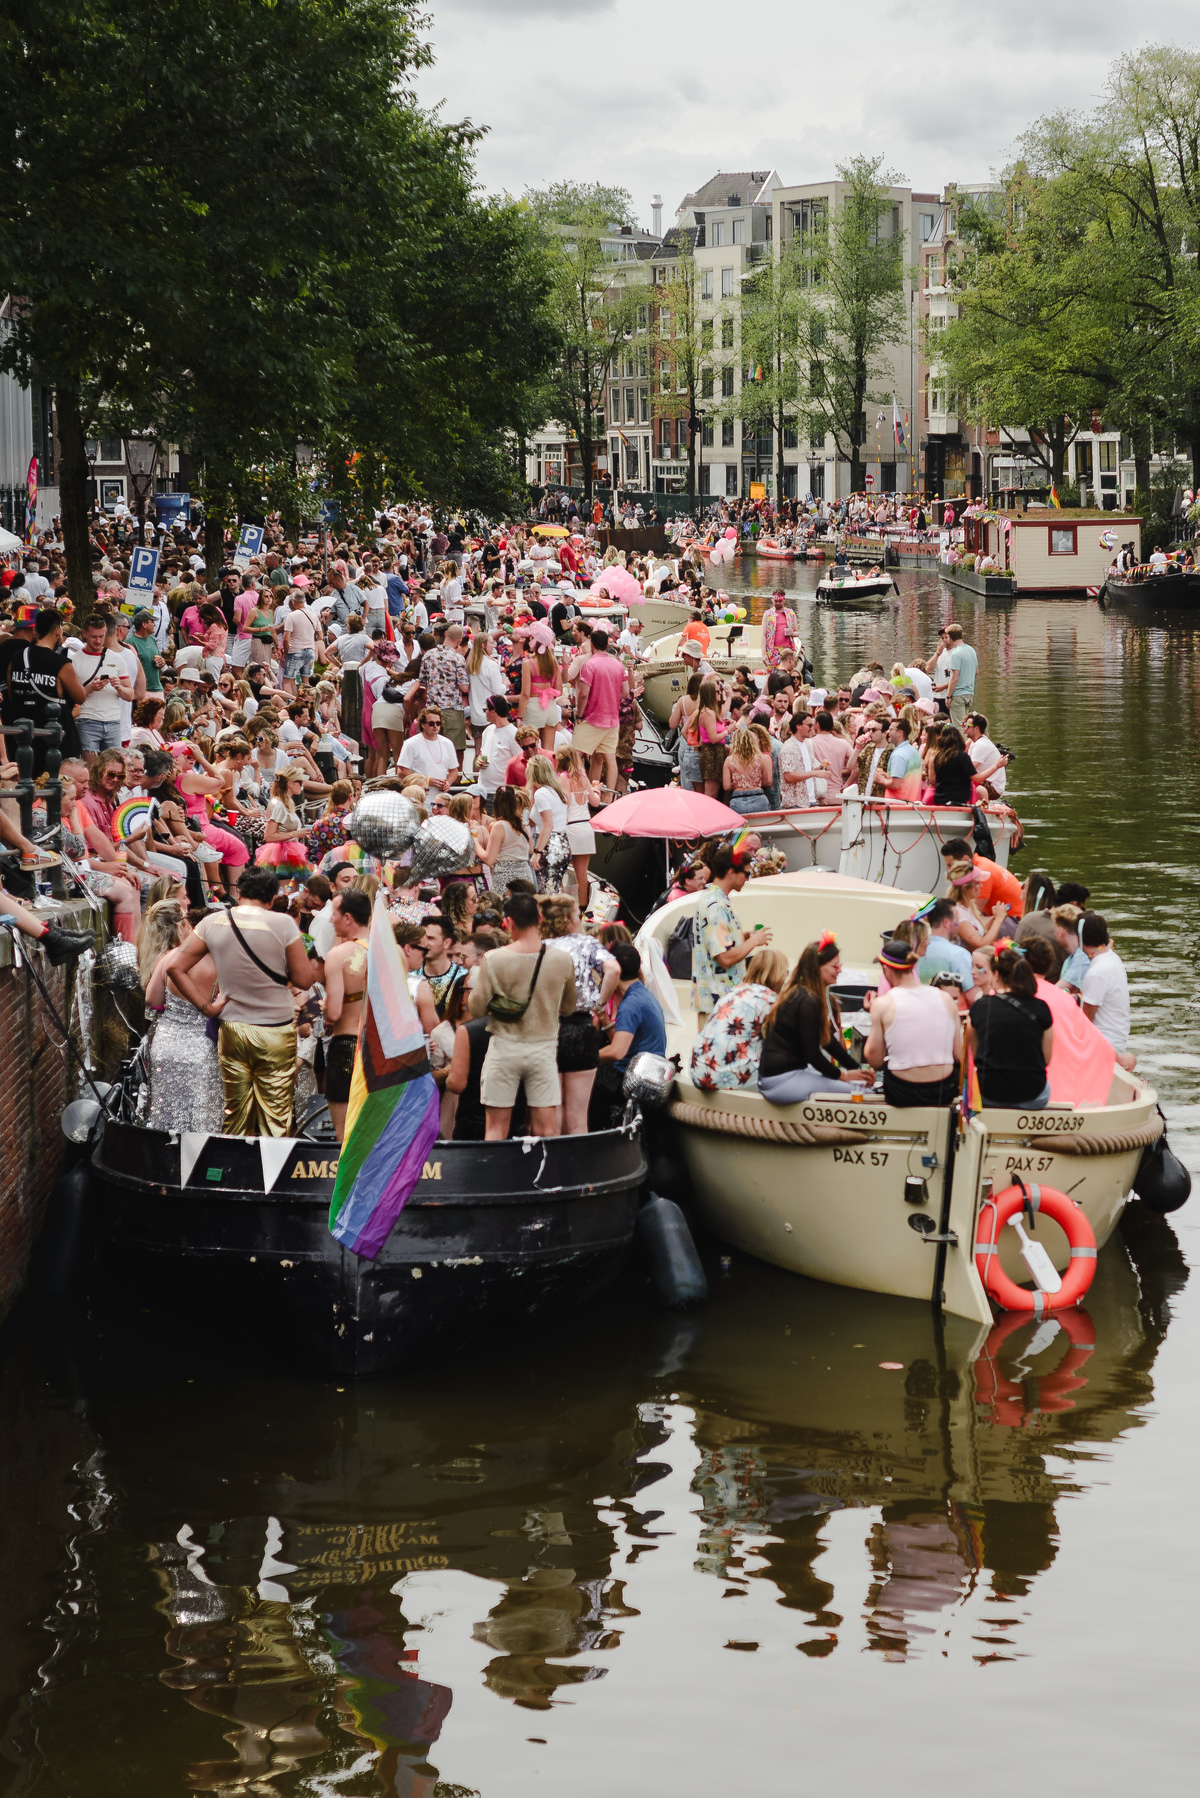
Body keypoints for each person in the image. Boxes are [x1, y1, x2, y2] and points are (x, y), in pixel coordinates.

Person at [174, 864, 319, 1136]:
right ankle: (272, 1176)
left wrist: (207, 1008)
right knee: (276, 1117)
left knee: (235, 1112)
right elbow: (304, 980)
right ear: (273, 897)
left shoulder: (212, 921)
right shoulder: (284, 923)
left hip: (232, 1029)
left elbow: (175, 968)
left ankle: (233, 1174)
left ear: (239, 892)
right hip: (275, 1029)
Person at [468, 889, 577, 1141]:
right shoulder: (562, 959)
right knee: (546, 1129)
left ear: (508, 923)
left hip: (504, 1047)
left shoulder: (494, 959)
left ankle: (496, 1179)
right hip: (544, 1048)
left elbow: (476, 1010)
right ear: (540, 920)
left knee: (496, 1128)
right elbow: (569, 1007)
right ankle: (547, 1178)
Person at [139, 898, 226, 1134]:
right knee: (200, 1115)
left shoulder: (170, 957)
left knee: (163, 1112)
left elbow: (153, 1000)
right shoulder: (220, 964)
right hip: (201, 1047)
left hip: (165, 1045)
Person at [757, 935, 873, 1103]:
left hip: (779, 1076)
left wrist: (856, 1068)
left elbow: (827, 1041)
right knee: (865, 1096)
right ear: (817, 968)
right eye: (835, 966)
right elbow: (812, 1054)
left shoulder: (803, 993)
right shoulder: (806, 1000)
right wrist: (844, 1076)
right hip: (781, 1081)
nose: (839, 970)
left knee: (854, 1085)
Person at [539, 892, 620, 1134]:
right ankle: (575, 1165)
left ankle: (552, 1164)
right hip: (580, 1027)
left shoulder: (541, 947)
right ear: (568, 918)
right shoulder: (586, 943)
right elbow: (613, 969)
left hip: (547, 1029)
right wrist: (598, 1003)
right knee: (577, 1114)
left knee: (553, 1110)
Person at [863, 937, 962, 1107]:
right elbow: (959, 1055)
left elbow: (875, 1060)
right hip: (943, 1090)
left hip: (902, 1092)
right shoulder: (946, 999)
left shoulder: (882, 1004)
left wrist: (874, 1014)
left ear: (886, 969)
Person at [691, 842, 773, 1025]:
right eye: (746, 873)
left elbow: (716, 942)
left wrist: (742, 937)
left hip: (722, 1002)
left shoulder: (715, 900)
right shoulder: (715, 906)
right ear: (731, 872)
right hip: (719, 1004)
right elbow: (725, 958)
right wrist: (754, 942)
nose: (747, 878)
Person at [689, 946, 788, 1092]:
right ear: (779, 974)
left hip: (699, 1072)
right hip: (727, 1078)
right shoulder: (770, 1001)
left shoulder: (733, 992)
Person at [967, 945, 1054, 1110]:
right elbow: (1046, 1059)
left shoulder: (979, 1007)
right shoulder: (1042, 1008)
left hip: (988, 1093)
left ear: (997, 975)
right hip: (1032, 1095)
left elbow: (976, 1053)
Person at [321, 888, 371, 1139]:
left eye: (334, 914)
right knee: (375, 1128)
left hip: (348, 1045)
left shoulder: (339, 954)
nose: (331, 920)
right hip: (381, 1046)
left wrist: (322, 1010)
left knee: (346, 1133)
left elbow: (333, 1012)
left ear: (348, 918)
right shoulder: (391, 952)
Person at [597, 942, 667, 1089]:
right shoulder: (644, 995)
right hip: (651, 1072)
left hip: (631, 1076)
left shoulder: (630, 1005)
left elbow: (616, 1052)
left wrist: (584, 1058)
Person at [572, 626, 628, 796]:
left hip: (592, 717)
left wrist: (580, 715)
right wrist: (610, 697)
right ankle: (607, 796)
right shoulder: (617, 664)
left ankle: (584, 791)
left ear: (592, 645)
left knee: (574, 756)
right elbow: (625, 691)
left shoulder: (591, 664)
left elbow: (583, 694)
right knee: (608, 761)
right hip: (612, 719)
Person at [70, 614, 134, 760]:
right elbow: (72, 697)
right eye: (94, 637)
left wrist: (119, 687)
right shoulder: (75, 660)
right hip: (87, 720)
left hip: (113, 721)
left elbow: (130, 695)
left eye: (101, 636)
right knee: (91, 768)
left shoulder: (117, 658)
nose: (98, 641)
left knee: (113, 768)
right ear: (84, 633)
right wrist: (90, 688)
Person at [1080, 912, 1134, 1065]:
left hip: (1106, 1047)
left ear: (1080, 937)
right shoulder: (1111, 957)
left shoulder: (1096, 972)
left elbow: (1085, 1023)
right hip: (1117, 1039)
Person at [526, 754, 571, 893]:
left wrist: (537, 852)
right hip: (563, 842)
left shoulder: (541, 794)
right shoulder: (558, 792)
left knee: (548, 893)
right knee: (555, 889)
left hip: (549, 844)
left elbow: (548, 825)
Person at [481, 783, 535, 892]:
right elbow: (530, 849)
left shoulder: (499, 826)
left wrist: (476, 843)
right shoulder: (524, 824)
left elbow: (489, 859)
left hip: (504, 876)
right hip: (525, 873)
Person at [917, 898, 977, 994]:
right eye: (957, 919)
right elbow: (971, 993)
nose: (959, 924)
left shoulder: (917, 949)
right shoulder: (959, 954)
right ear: (946, 922)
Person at [398, 707, 459, 791]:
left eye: (438, 723)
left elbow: (454, 770)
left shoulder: (447, 743)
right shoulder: (411, 743)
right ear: (422, 725)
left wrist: (448, 782)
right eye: (431, 723)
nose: (435, 726)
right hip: (418, 795)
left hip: (439, 797)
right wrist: (426, 780)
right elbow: (401, 772)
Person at [721, 723, 773, 816]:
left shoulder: (729, 760)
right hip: (759, 798)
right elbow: (768, 782)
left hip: (738, 800)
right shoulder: (761, 758)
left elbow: (726, 786)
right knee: (761, 829)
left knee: (742, 830)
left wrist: (737, 783)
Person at [810, 709, 855, 796]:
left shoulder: (809, 743)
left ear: (817, 724)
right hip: (837, 792)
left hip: (816, 792)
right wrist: (848, 784)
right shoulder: (843, 743)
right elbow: (858, 763)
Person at [940, 623, 977, 727]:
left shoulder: (956, 653)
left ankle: (963, 743)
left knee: (960, 727)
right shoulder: (971, 650)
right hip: (969, 693)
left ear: (950, 637)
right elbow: (976, 671)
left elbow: (954, 677)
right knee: (966, 725)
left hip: (958, 695)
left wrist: (948, 696)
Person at [963, 712, 1008, 796]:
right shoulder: (975, 741)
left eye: (967, 726)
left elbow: (969, 770)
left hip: (992, 787)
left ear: (976, 729)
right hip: (984, 781)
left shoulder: (981, 745)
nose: (964, 729)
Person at [931, 727, 976, 805]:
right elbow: (977, 778)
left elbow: (933, 781)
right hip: (958, 801)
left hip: (940, 799)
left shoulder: (938, 757)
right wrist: (996, 766)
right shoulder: (962, 756)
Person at [883, 718, 923, 799]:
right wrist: (886, 775)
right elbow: (905, 777)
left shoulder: (898, 755)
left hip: (898, 806)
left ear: (899, 733)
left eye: (891, 729)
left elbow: (895, 784)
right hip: (911, 804)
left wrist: (881, 780)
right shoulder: (913, 751)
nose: (888, 732)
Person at [1053, 903, 1089, 992]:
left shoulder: (1082, 958)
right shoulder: (1073, 957)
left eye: (1055, 928)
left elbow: (1057, 990)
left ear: (1061, 931)